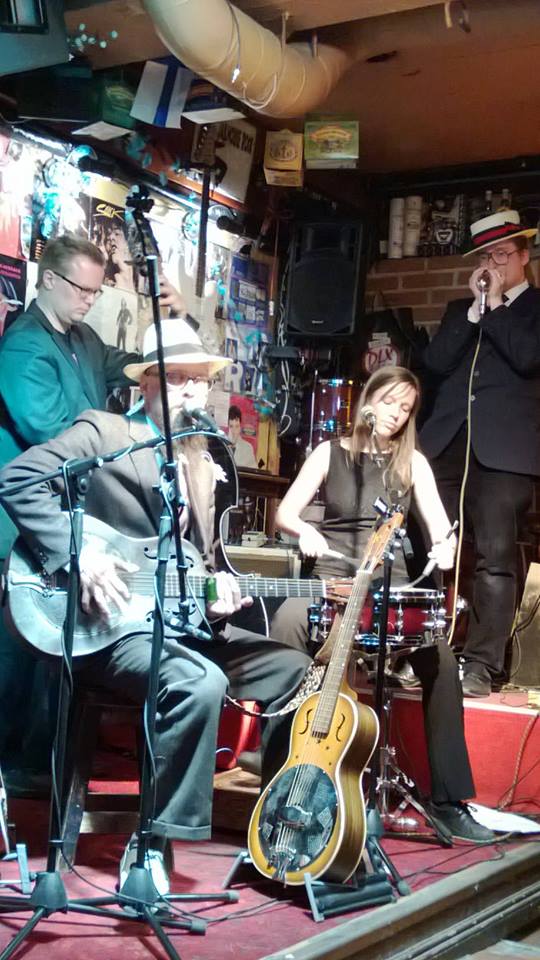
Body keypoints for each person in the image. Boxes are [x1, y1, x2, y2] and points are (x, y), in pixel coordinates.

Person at [0, 317, 311, 894]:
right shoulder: (105, 432)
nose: (193, 391)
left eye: (200, 380)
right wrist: (81, 552)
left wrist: (217, 597)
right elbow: (19, 480)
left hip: (181, 623)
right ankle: (153, 843)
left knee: (296, 671)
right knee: (199, 682)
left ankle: (276, 823)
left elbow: (202, 565)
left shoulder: (201, 459)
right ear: (146, 383)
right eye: (178, 378)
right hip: (111, 628)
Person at [270, 365, 495, 843]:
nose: (395, 414)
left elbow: (441, 529)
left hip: (388, 584)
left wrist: (445, 547)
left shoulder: (412, 463)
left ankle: (449, 802)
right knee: (288, 620)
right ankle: (280, 773)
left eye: (405, 409)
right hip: (333, 576)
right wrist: (304, 529)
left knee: (441, 660)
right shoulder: (328, 452)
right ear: (368, 400)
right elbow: (285, 512)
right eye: (389, 402)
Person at [0, 233, 186, 779]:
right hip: (23, 522)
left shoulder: (83, 337)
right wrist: (121, 448)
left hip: (69, 519)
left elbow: (142, 366)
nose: (88, 299)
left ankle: (39, 769)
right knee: (21, 651)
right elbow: (53, 435)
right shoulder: (23, 347)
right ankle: (14, 771)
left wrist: (175, 320)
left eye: (95, 291)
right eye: (81, 289)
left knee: (53, 656)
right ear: (48, 280)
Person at [420, 209, 540, 697]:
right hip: (447, 445)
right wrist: (474, 311)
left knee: (494, 556)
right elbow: (434, 364)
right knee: (428, 547)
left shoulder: (533, 310)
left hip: (505, 455)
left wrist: (495, 308)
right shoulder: (461, 311)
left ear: (524, 256)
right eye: (485, 257)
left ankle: (481, 664)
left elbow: (527, 357)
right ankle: (422, 650)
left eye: (502, 254)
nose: (493, 264)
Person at [228, 404, 258, 469]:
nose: (234, 431)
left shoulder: (247, 448)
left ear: (240, 427)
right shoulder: (221, 446)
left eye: (237, 426)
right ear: (227, 427)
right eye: (231, 426)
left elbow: (254, 469)